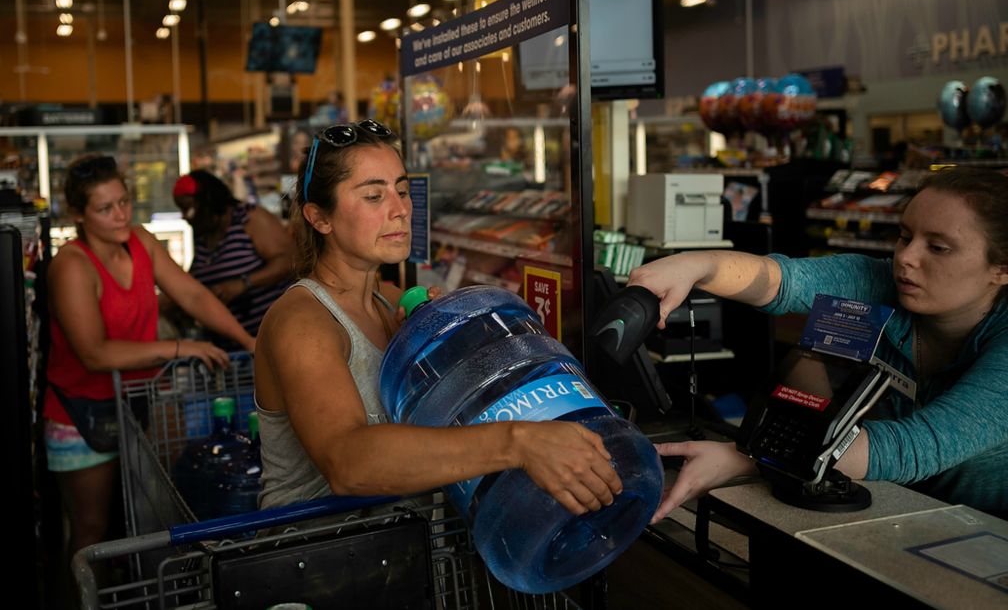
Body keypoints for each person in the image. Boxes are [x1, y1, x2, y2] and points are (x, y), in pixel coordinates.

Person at [254, 119, 622, 514]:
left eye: (401, 190)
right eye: (374, 196)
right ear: (319, 217)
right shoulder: (303, 322)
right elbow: (347, 463)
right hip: (318, 558)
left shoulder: (392, 304)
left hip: (403, 549)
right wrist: (517, 442)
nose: (400, 210)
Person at [629, 166, 1008, 521]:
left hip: (983, 544)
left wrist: (750, 456)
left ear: (1001, 268)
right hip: (890, 512)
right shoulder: (881, 283)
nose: (906, 258)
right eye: (905, 236)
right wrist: (694, 267)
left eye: (938, 248)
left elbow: (913, 446)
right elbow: (781, 280)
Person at [45, 154, 257, 565]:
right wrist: (179, 348)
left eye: (123, 201)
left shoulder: (140, 240)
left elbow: (192, 294)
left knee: (154, 517)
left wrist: (247, 340)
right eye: (105, 208)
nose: (120, 215)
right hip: (81, 415)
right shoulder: (71, 266)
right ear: (78, 214)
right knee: (92, 531)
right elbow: (94, 352)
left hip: (140, 399)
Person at [172, 170, 294, 346]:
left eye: (188, 208)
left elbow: (289, 260)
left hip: (275, 338)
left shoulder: (249, 218)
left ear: (207, 201)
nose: (185, 216)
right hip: (234, 356)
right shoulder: (203, 236)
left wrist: (244, 283)